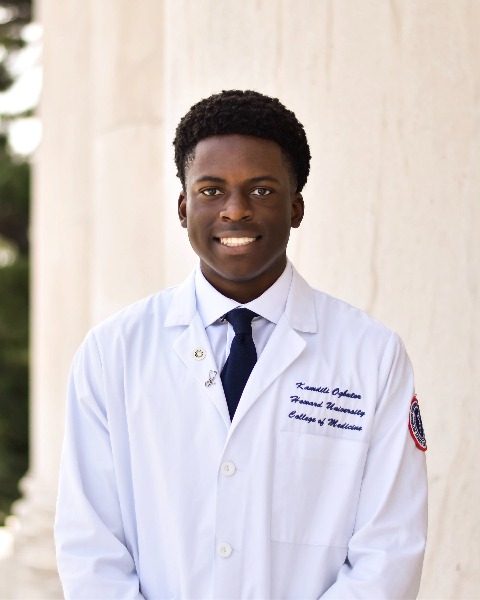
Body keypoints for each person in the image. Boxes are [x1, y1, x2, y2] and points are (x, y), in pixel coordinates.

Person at [55, 90, 428, 599]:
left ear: (296, 207)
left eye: (262, 190)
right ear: (183, 207)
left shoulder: (372, 356)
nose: (236, 211)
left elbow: (388, 553)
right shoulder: (113, 353)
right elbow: (90, 547)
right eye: (211, 190)